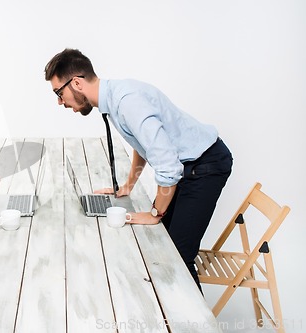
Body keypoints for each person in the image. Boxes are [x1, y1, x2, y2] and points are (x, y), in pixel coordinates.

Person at [44, 48, 233, 290]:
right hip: (189, 164)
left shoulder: (127, 102)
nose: (60, 102)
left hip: (205, 166)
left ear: (77, 83)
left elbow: (168, 166)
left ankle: (196, 325)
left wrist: (155, 214)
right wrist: (128, 185)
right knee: (162, 245)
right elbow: (143, 143)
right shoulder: (113, 97)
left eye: (59, 93)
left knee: (177, 257)